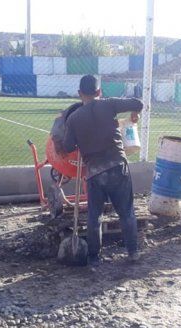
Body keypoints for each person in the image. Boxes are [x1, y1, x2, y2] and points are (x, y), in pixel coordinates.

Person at [60, 75, 143, 267]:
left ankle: (94, 258)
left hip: (94, 172)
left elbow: (68, 146)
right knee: (126, 212)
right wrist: (134, 114)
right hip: (117, 166)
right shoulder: (108, 104)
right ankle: (132, 252)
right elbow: (138, 103)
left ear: (79, 93)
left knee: (94, 216)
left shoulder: (73, 118)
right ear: (99, 91)